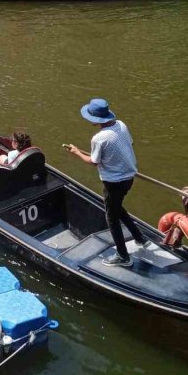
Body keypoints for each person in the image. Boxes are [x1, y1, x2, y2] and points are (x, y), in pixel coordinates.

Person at [65, 98, 147, 267]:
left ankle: (123, 256)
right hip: (128, 179)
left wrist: (76, 152)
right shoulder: (122, 125)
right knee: (116, 207)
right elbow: (129, 143)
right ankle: (140, 237)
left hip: (114, 183)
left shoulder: (99, 139)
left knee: (111, 217)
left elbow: (94, 162)